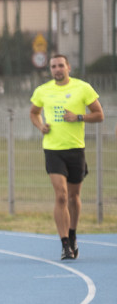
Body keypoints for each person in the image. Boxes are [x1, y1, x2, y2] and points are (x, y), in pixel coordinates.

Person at [29, 54, 104, 260]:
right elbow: (34, 112)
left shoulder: (83, 88)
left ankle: (72, 234)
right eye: (53, 66)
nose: (57, 69)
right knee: (61, 195)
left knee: (73, 197)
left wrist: (78, 117)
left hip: (75, 149)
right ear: (50, 70)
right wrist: (40, 126)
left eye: (61, 65)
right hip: (53, 149)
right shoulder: (43, 90)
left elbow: (99, 114)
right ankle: (64, 245)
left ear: (68, 67)